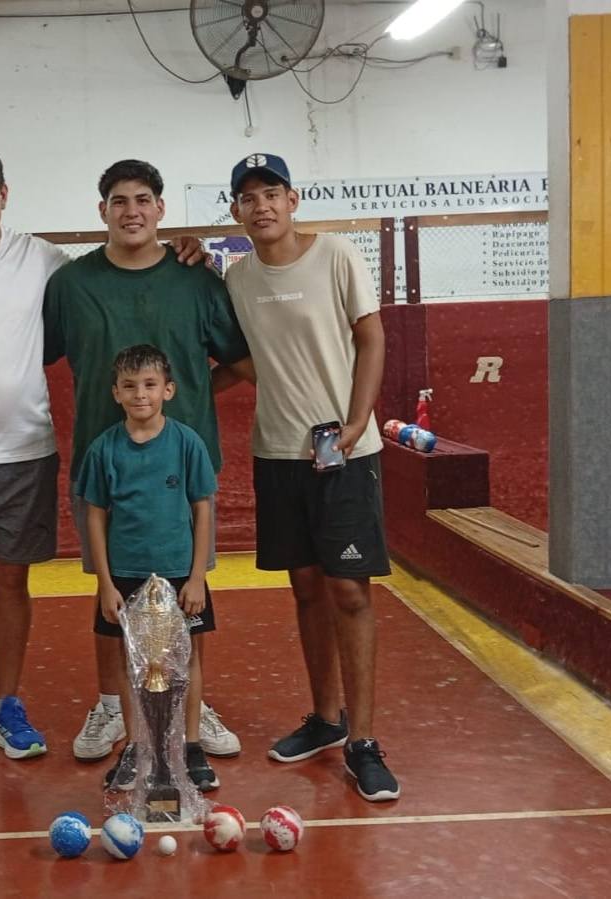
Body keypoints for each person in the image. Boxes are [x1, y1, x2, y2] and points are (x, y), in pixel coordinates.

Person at [0, 144, 208, 785]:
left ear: (5, 194)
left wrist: (185, 245)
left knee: (10, 584)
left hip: (24, 454)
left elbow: (121, 257)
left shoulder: (44, 260)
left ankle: (7, 707)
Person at [43, 159, 248, 764]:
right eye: (118, 200)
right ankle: (111, 704)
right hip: (101, 471)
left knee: (189, 593)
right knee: (112, 593)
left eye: (142, 199)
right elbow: (35, 354)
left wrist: (188, 398)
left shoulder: (198, 281)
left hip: (181, 474)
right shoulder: (71, 285)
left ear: (160, 209)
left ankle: (190, 707)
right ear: (102, 211)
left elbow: (241, 360)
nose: (131, 211)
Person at [223, 152, 400, 801]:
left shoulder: (335, 256)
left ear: (291, 199)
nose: (261, 204)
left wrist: (356, 421)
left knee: (348, 591)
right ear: (236, 211)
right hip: (277, 454)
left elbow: (371, 337)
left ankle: (364, 740)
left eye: (271, 191)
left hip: (343, 453)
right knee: (303, 586)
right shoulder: (235, 279)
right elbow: (244, 361)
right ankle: (326, 718)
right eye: (248, 197)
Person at [78, 344, 220, 792]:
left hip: (178, 573)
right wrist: (105, 582)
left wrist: (197, 575)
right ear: (115, 393)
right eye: (130, 386)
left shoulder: (186, 443)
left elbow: (202, 508)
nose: (141, 394)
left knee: (189, 658)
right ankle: (137, 746)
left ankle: (192, 746)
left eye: (150, 385)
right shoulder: (104, 450)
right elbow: (95, 514)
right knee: (131, 661)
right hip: (125, 574)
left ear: (169, 390)